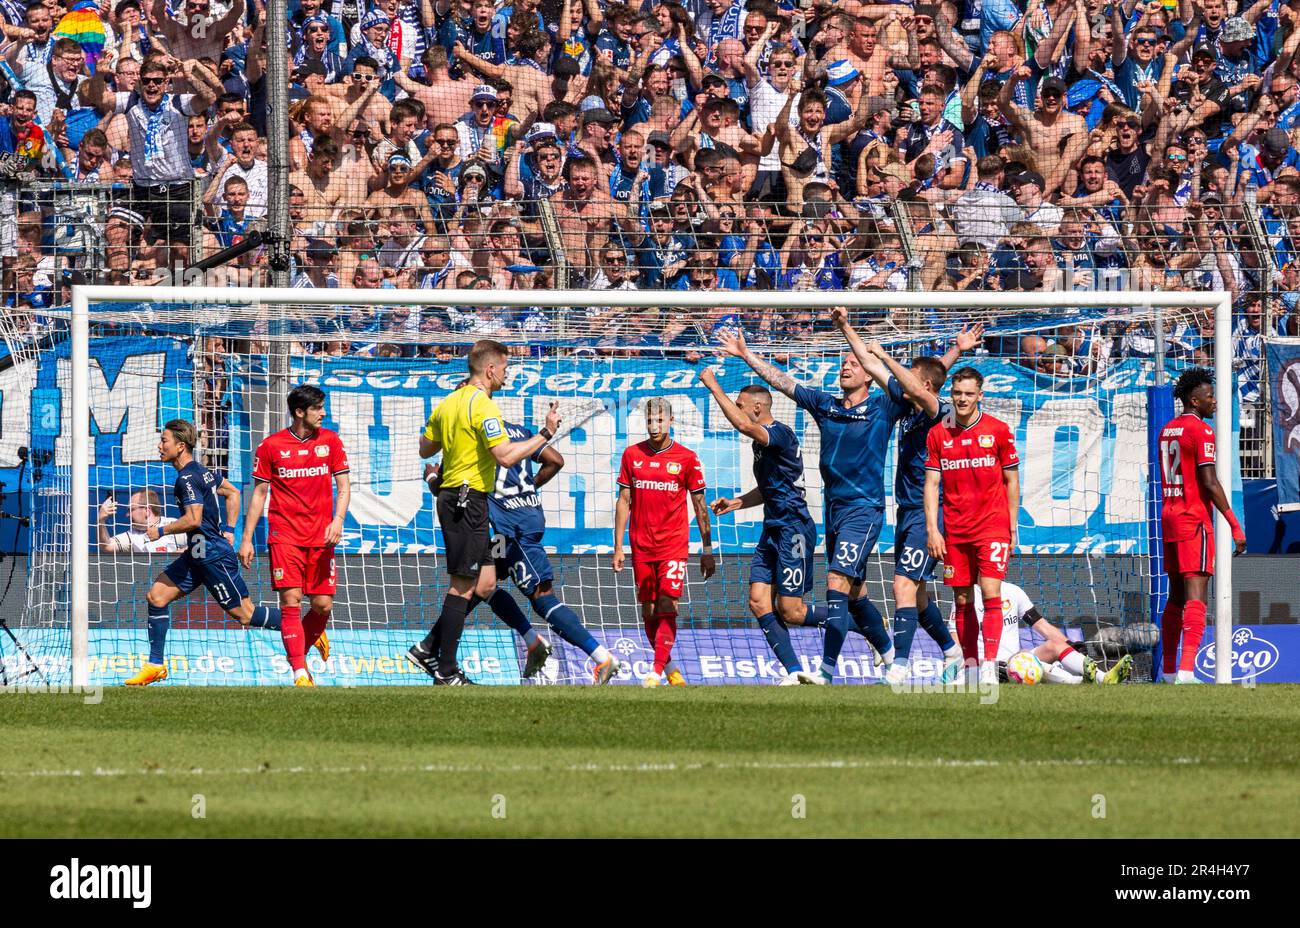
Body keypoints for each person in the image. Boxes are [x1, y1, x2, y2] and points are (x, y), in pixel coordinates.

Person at [717, 327, 895, 684]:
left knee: (806, 602)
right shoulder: (825, 404)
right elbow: (782, 381)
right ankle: (799, 671)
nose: (846, 366)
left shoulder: (882, 406)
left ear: (869, 374)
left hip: (857, 510)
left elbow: (916, 388)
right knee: (765, 600)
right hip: (827, 512)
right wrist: (746, 354)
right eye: (843, 362)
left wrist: (712, 382)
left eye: (854, 362)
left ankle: (831, 667)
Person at [832, 308, 978, 684]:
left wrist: (885, 355)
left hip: (932, 511)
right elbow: (892, 371)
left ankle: (899, 666)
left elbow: (920, 385)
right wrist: (846, 326)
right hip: (908, 509)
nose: (903, 380)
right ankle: (953, 652)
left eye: (912, 376)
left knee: (902, 586)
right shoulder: (912, 407)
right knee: (920, 596)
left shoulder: (937, 410)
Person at [407, 340, 561, 685]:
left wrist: (455, 440)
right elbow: (505, 456)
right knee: (462, 585)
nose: (506, 376)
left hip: (460, 500)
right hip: (468, 501)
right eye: (505, 369)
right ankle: (445, 670)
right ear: (490, 369)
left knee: (486, 581)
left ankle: (428, 646)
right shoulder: (483, 405)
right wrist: (546, 432)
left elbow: (424, 448)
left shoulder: (449, 402)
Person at [425, 418, 622, 684]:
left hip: (514, 529)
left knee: (543, 598)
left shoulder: (471, 437)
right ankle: (530, 642)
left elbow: (443, 489)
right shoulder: (517, 431)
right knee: (484, 584)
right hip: (510, 530)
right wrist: (527, 489)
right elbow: (556, 460)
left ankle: (602, 658)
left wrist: (432, 475)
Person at [124, 420, 281, 686]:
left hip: (212, 555)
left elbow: (194, 519)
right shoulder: (200, 471)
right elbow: (231, 492)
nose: (160, 445)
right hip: (197, 552)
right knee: (157, 596)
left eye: (164, 441)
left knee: (244, 615)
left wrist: (160, 532)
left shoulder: (186, 477)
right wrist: (229, 528)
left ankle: (298, 626)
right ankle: (155, 665)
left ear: (180, 445)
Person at [699, 367, 823, 685]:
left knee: (792, 612)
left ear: (757, 406)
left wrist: (715, 386)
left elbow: (742, 425)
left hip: (794, 529)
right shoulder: (763, 444)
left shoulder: (779, 433)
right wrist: (737, 503)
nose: (739, 410)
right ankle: (795, 672)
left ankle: (862, 623)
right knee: (757, 601)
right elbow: (769, 489)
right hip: (773, 528)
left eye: (740, 404)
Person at [239, 386, 351, 687]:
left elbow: (344, 487)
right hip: (284, 535)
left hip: (322, 537)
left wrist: (337, 520)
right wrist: (247, 538)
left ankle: (304, 642)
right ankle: (300, 673)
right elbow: (259, 493)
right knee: (291, 600)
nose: (323, 413)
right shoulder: (271, 446)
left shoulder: (330, 441)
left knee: (323, 605)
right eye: (318, 408)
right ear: (300, 412)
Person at [924, 367, 1020, 685]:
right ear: (951, 393)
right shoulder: (938, 434)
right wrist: (933, 530)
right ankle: (970, 668)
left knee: (991, 593)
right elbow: (931, 483)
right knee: (962, 600)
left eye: (968, 393)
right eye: (957, 393)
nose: (962, 399)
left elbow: (1011, 480)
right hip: (955, 529)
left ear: (980, 395)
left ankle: (990, 666)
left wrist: (1013, 525)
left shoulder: (999, 430)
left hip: (992, 526)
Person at [612, 397, 716, 687]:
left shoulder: (686, 458)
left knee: (668, 603)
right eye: (649, 421)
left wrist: (707, 550)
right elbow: (624, 500)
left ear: (671, 422)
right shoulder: (632, 455)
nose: (654, 426)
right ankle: (669, 668)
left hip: (673, 545)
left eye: (660, 420)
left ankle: (655, 671)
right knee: (649, 609)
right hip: (641, 544)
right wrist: (619, 547)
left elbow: (700, 506)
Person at [1156, 368, 1247, 684]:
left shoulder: (1167, 430)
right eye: (1210, 396)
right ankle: (1186, 671)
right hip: (1193, 521)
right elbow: (1209, 481)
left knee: (1175, 598)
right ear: (1194, 400)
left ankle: (1168, 672)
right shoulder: (1202, 432)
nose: (1215, 402)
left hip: (1169, 518)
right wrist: (1234, 526)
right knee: (1196, 596)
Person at [959, 582, 1133, 685]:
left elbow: (1042, 626)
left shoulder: (1013, 591)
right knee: (1024, 662)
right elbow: (957, 647)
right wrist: (986, 665)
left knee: (1055, 645)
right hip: (985, 668)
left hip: (1015, 659)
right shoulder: (966, 597)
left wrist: (1070, 644)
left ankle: (1105, 678)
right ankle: (1082, 681)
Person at [97, 489, 184, 554]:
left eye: (131, 510)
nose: (127, 515)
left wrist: (179, 555)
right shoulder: (132, 536)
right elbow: (107, 546)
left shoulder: (173, 526)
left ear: (147, 510)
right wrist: (101, 521)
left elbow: (196, 544)